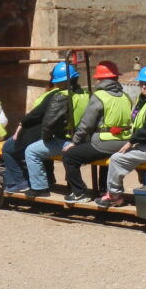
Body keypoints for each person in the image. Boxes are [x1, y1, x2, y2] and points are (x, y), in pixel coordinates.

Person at [95, 65, 146, 208]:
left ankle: (114, 196)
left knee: (116, 159)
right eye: (141, 83)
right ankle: (143, 186)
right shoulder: (144, 98)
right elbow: (138, 122)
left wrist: (131, 142)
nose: (143, 86)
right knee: (120, 154)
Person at [1, 62, 81, 194]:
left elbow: (39, 116)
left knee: (10, 149)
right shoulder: (81, 93)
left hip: (50, 136)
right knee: (39, 149)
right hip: (77, 137)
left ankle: (19, 183)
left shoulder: (57, 95)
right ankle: (48, 179)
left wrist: (25, 127)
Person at [61, 60, 133, 203]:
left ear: (101, 79)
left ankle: (80, 192)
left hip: (105, 140)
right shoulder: (126, 96)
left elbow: (86, 124)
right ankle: (104, 190)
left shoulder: (99, 96)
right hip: (124, 141)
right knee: (106, 159)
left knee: (70, 156)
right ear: (115, 78)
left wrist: (75, 142)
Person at [21, 62, 89, 198]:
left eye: (58, 82)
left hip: (65, 140)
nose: (56, 84)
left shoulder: (61, 96)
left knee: (31, 151)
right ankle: (68, 184)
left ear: (64, 81)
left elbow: (48, 123)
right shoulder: (85, 94)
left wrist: (46, 138)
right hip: (83, 140)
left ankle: (39, 188)